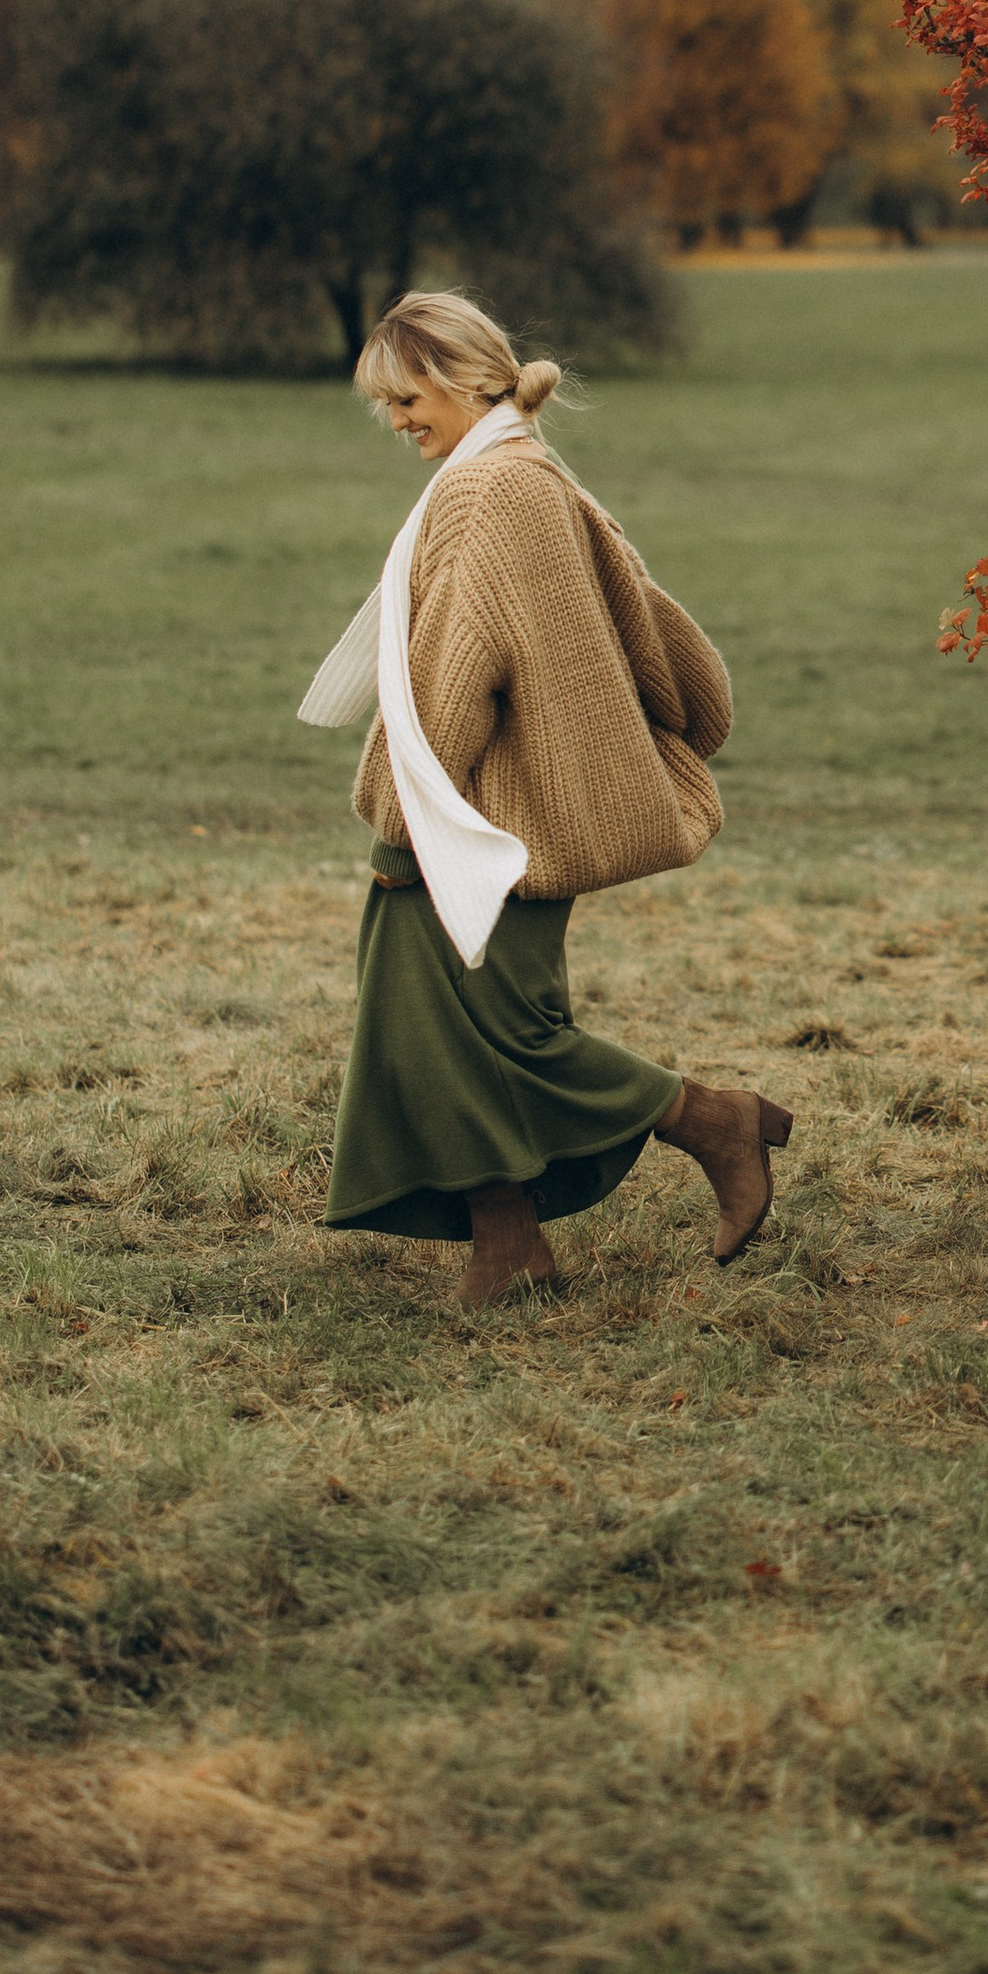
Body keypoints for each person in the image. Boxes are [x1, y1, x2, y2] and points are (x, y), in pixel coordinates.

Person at [299, 288, 791, 1309]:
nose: (396, 423)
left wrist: (403, 815)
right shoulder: (514, 471)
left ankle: (709, 1121)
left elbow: (457, 668)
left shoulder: (495, 492)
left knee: (502, 1035)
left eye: (404, 398)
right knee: (428, 1034)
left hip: (472, 822)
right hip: (483, 814)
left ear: (457, 375)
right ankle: (509, 1245)